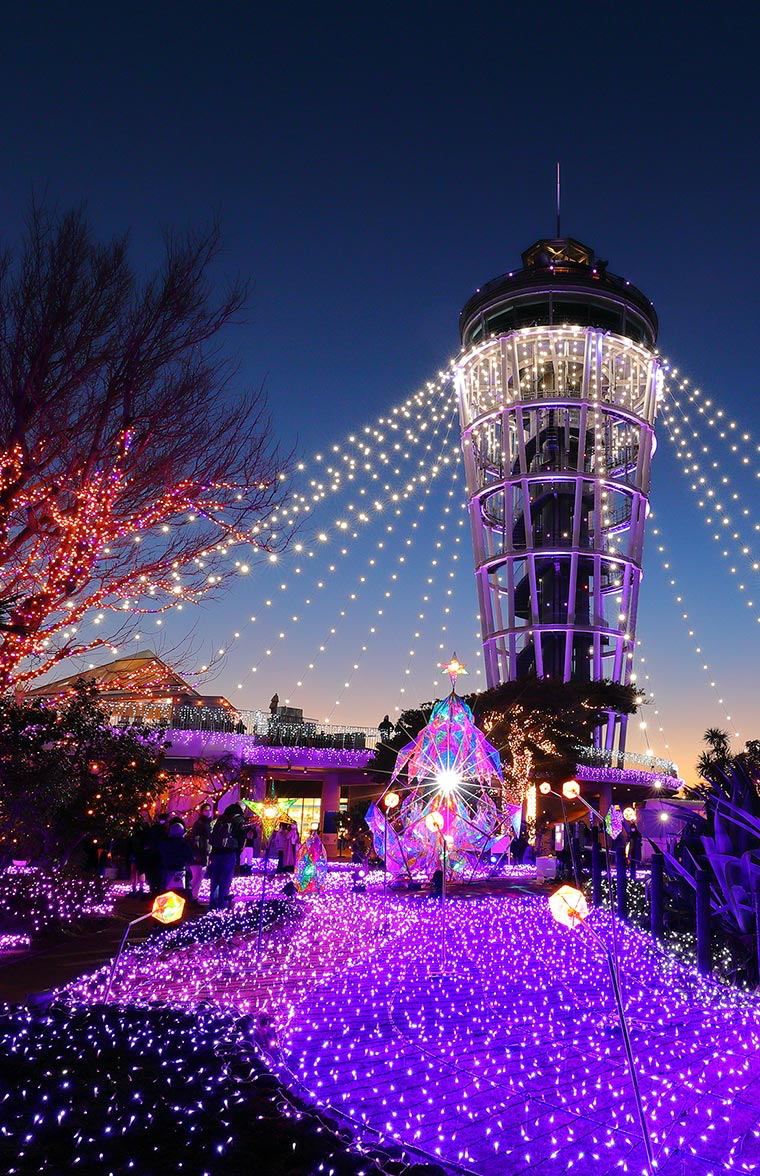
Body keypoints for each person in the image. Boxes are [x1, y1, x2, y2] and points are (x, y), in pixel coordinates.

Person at [208, 802, 246, 910]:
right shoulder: (239, 820)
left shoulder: (221, 819)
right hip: (229, 853)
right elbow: (241, 836)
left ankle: (213, 905)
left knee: (215, 879)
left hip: (216, 853)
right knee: (225, 880)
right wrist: (238, 850)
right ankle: (222, 905)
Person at [159, 818, 194, 893]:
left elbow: (161, 855)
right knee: (186, 890)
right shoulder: (184, 844)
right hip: (181, 870)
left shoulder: (165, 844)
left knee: (164, 891)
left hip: (166, 870)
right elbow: (190, 858)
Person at [187, 803, 213, 901]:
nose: (208, 812)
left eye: (209, 810)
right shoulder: (200, 824)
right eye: (206, 810)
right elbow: (196, 840)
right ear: (202, 811)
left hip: (204, 853)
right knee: (197, 877)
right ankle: (189, 895)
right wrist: (198, 853)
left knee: (200, 877)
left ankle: (194, 897)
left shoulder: (207, 823)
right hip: (199, 854)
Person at [127, 811, 151, 895]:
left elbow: (129, 846)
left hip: (135, 855)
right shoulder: (144, 835)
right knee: (141, 871)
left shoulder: (134, 837)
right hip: (139, 855)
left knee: (135, 871)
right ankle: (139, 888)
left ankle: (135, 888)